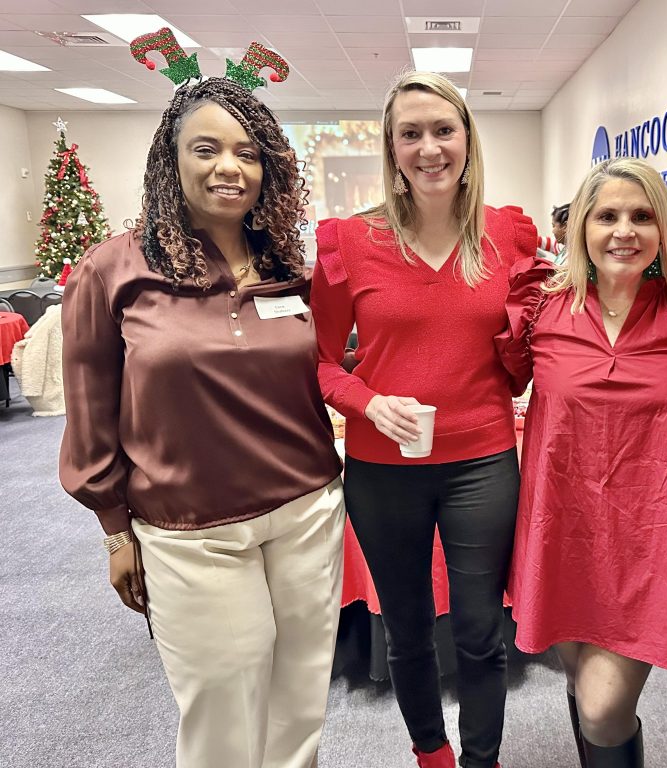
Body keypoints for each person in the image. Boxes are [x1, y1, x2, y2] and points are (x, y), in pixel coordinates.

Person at [59, 74, 345, 768]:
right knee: (222, 712)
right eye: (207, 149)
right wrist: (113, 530)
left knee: (298, 708)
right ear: (173, 158)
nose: (229, 167)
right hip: (191, 528)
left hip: (307, 511)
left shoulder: (287, 264)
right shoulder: (113, 269)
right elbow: (90, 410)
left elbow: (326, 369)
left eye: (248, 153)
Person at [310, 71, 537, 768]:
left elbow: (522, 355)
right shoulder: (350, 241)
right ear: (391, 147)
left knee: (480, 630)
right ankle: (430, 755)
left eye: (443, 130)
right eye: (410, 134)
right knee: (407, 630)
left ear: (468, 138)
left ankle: (482, 761)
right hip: (384, 469)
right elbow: (318, 362)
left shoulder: (508, 234)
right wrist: (368, 402)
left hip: (483, 461)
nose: (429, 148)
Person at [496, 157, 667, 767]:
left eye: (642, 216)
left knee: (602, 706)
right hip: (560, 536)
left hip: (650, 542)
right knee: (578, 681)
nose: (624, 231)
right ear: (582, 228)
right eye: (607, 216)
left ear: (662, 228)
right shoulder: (542, 308)